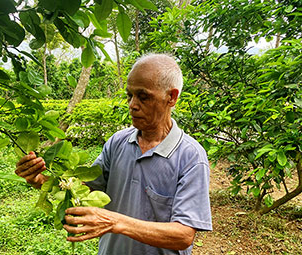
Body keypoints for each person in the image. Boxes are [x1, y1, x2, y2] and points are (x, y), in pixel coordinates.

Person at [15, 53, 212, 255]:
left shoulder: (191, 157)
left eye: (143, 96)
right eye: (130, 95)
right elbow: (86, 190)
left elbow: (183, 235)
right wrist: (41, 179)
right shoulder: (118, 142)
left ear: (171, 97)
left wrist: (114, 222)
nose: (132, 105)